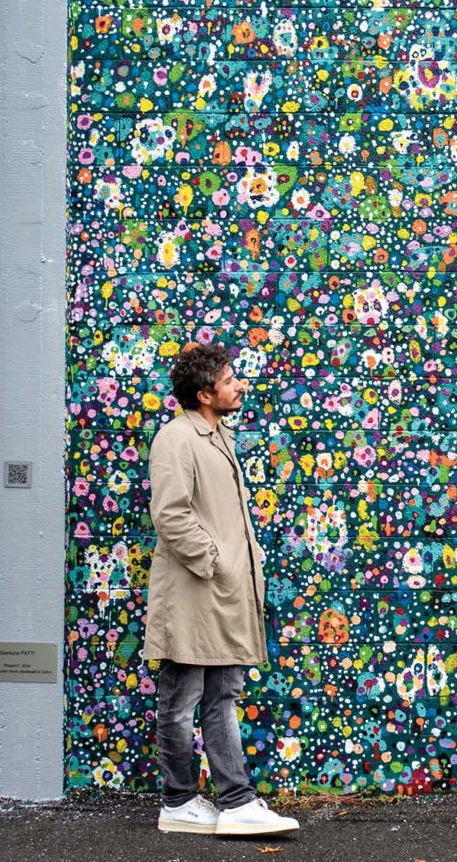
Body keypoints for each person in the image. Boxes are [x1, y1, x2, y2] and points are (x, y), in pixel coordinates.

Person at [143, 342, 298, 837]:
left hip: (223, 595)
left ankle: (235, 802)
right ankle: (180, 802)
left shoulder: (217, 436)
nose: (240, 386)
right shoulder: (176, 439)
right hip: (194, 594)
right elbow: (171, 514)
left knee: (221, 697)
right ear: (206, 393)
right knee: (181, 700)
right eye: (231, 381)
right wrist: (214, 560)